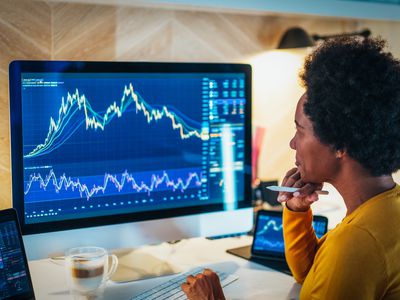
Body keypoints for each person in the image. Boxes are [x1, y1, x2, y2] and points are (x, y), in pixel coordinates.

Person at [181, 36, 400, 299]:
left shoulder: (355, 242)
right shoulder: (386, 210)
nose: (293, 143)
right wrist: (297, 211)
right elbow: (312, 276)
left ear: (340, 143)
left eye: (300, 130)